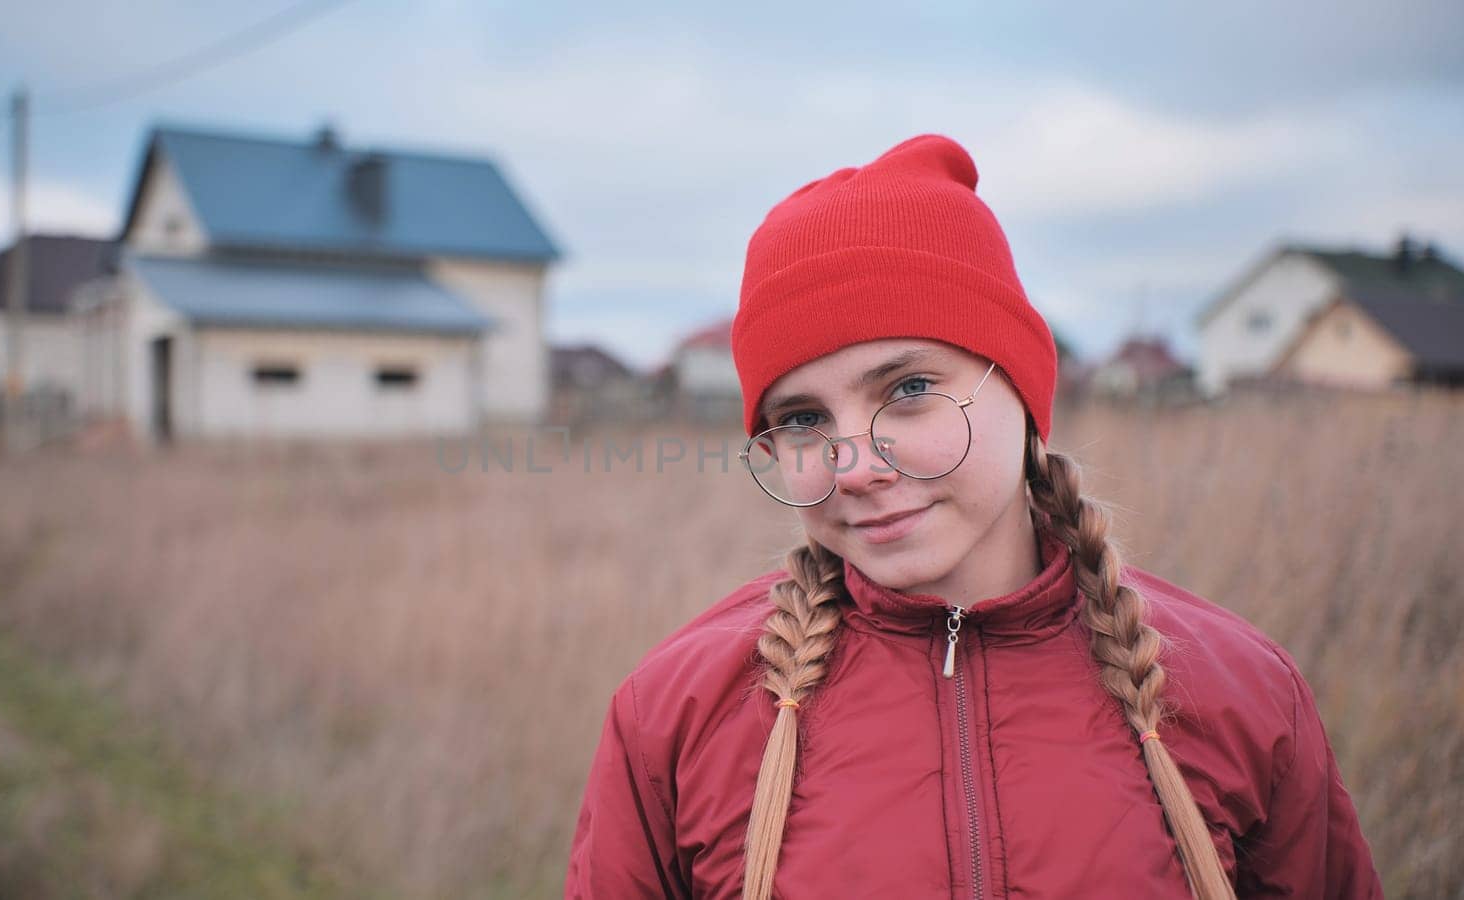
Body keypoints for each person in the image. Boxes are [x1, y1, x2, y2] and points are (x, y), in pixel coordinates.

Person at [563, 134, 1382, 899]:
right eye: (805, 420)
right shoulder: (674, 717)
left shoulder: (1240, 695)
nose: (858, 467)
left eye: (909, 390)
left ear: (1023, 392)